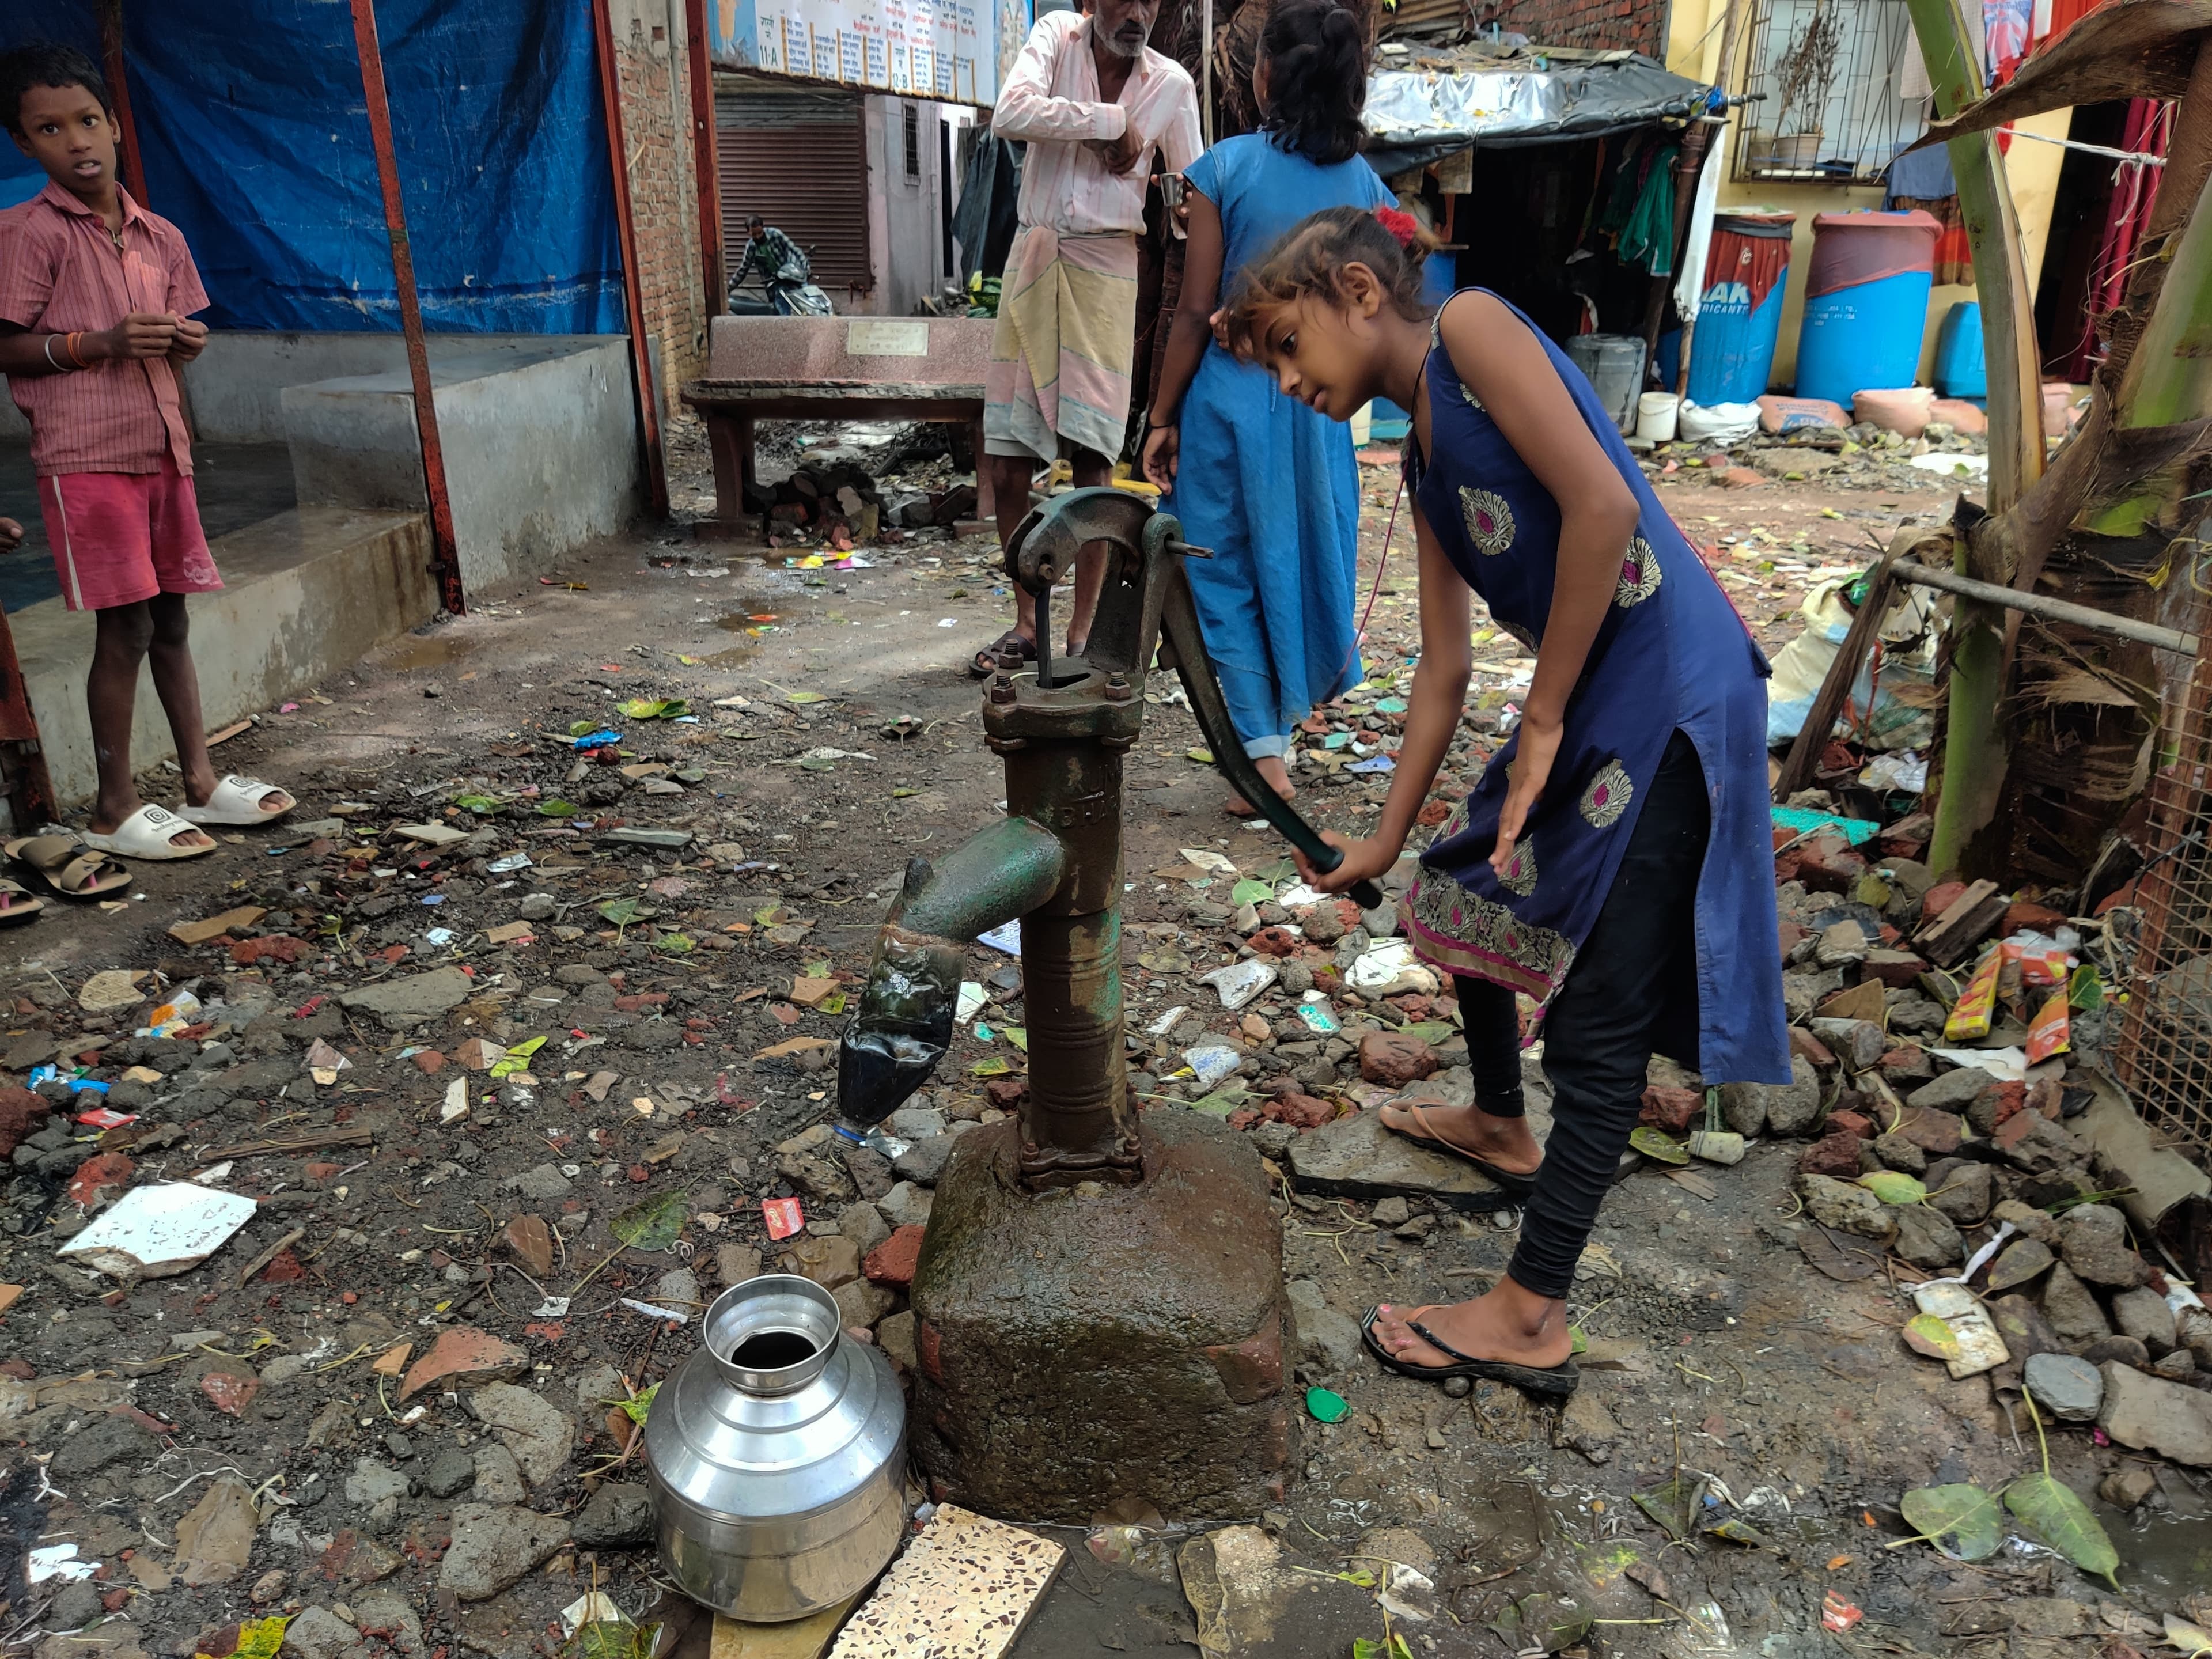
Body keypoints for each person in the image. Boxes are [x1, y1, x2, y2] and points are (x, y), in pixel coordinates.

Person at [1225, 207, 1789, 1396]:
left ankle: (1533, 1315)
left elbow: (1606, 508)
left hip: (1669, 694)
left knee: (1600, 1025)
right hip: (1594, 693)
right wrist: (1379, 836)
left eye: (1288, 345)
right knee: (1458, 893)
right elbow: (1443, 669)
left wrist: (1543, 722)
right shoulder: (1423, 459)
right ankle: (1498, 1123)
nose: (1288, 382)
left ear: (1359, 291)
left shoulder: (1472, 332)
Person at [0, 43, 294, 859]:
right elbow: (9, 347)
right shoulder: (26, 235)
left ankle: (200, 783)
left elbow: (170, 339)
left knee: (170, 617)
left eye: (88, 120)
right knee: (122, 626)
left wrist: (181, 349)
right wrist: (97, 343)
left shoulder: (159, 236)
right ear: (26, 146)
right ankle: (113, 805)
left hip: (161, 449)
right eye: (50, 129)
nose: (77, 141)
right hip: (86, 456)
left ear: (117, 126)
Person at [1140, 0, 1388, 815]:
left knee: (1222, 568)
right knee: (1304, 557)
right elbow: (1385, 298)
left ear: (1266, 78)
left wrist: (1161, 416)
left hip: (1230, 403)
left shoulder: (1222, 170)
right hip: (1320, 408)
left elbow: (1191, 308)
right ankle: (1277, 733)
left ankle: (1264, 756)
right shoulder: (1366, 188)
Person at [969, 0, 1202, 679]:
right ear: (1090, 1)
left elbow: (1192, 195)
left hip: (1109, 267)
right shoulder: (1054, 37)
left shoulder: (1173, 84)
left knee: (1094, 458)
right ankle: (1023, 621)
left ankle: (1080, 635)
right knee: (1007, 459)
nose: (1137, 13)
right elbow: (1010, 112)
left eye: (1149, 0)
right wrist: (1110, 123)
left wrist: (1184, 208)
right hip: (1036, 252)